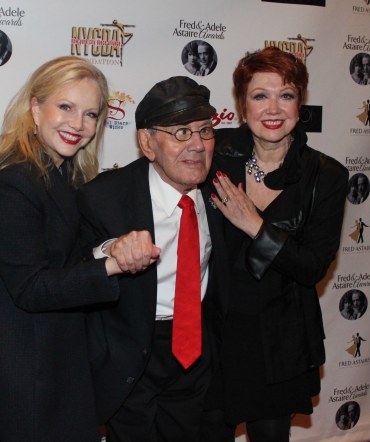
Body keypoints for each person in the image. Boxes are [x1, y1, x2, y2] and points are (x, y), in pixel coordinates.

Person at [0, 56, 152, 442]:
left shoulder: (64, 176)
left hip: (59, 367)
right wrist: (114, 264)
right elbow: (32, 288)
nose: (78, 124)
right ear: (35, 108)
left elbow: (70, 256)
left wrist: (109, 247)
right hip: (23, 378)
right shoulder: (10, 183)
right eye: (65, 107)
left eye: (90, 114)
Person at [201, 46, 348, 441]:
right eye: (260, 95)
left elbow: (313, 266)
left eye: (286, 95)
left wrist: (254, 225)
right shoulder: (214, 155)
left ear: (300, 103)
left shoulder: (326, 175)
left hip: (280, 340)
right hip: (214, 333)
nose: (273, 109)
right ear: (241, 103)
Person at [77, 76, 230, 442]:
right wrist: (110, 250)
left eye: (205, 131)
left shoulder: (222, 190)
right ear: (147, 142)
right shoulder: (104, 197)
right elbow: (74, 267)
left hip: (194, 349)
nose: (197, 145)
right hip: (129, 352)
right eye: (180, 132)